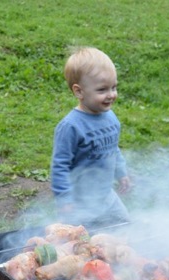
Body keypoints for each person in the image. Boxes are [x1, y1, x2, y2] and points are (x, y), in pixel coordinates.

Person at [50, 47, 132, 226]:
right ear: (79, 92)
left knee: (125, 228)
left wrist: (121, 172)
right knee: (82, 243)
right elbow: (59, 166)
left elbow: (113, 148)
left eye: (114, 87)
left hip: (106, 196)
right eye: (102, 90)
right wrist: (64, 200)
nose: (111, 94)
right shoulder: (70, 127)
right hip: (80, 202)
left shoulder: (111, 118)